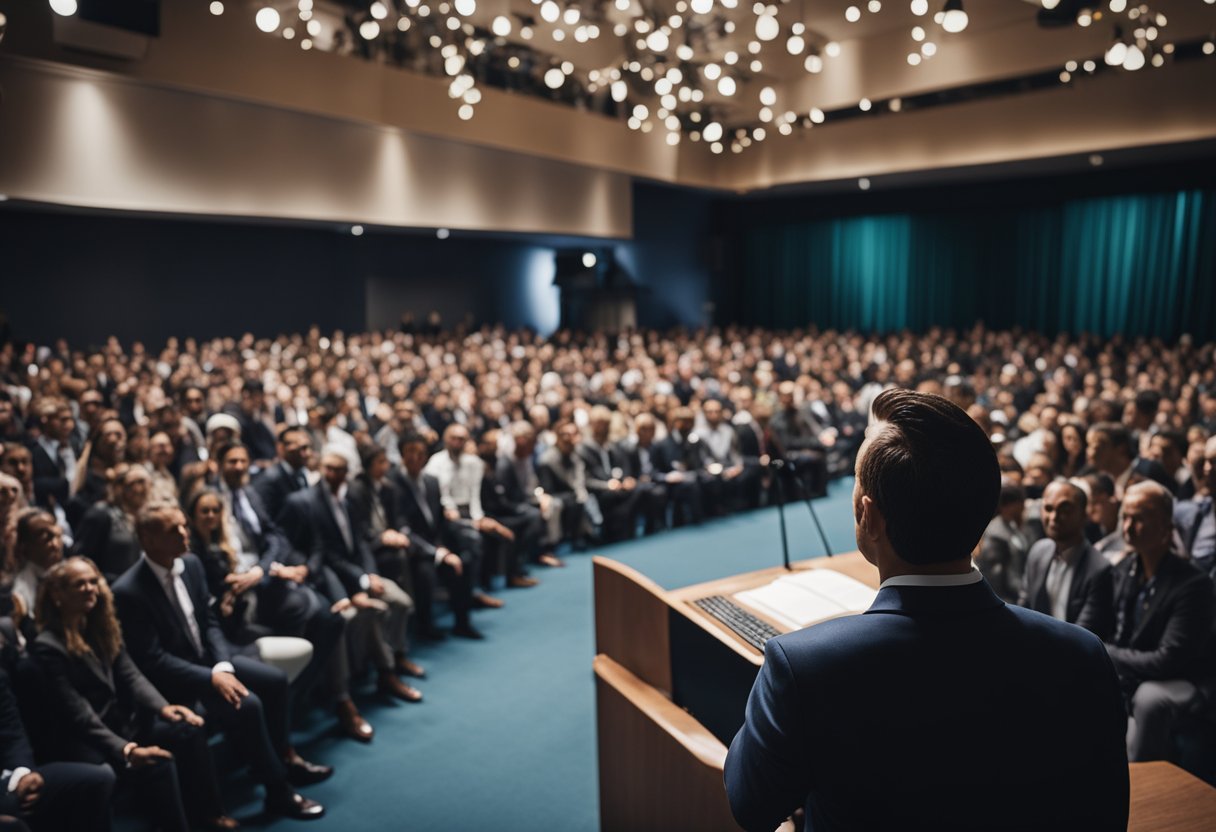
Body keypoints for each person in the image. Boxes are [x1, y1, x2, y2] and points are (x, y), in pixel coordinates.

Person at [724, 389, 1129, 832]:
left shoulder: (803, 666)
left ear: (869, 516)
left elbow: (750, 806)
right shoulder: (1082, 655)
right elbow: (1106, 816)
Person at [111, 503, 329, 820]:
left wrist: (223, 666)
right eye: (174, 530)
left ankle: (283, 757)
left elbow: (209, 622)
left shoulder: (191, 563)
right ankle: (277, 790)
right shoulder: (129, 590)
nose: (185, 534)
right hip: (176, 681)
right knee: (249, 703)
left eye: (184, 526)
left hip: (213, 661)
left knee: (275, 681)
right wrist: (211, 677)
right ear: (148, 539)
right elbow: (152, 660)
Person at [32, 558, 237, 831]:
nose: (89, 588)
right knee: (155, 764)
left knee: (187, 727)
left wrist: (163, 708)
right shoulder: (47, 647)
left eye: (93, 581)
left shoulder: (100, 626)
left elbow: (131, 674)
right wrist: (126, 749)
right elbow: (78, 714)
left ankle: (210, 814)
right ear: (57, 594)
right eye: (79, 584)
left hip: (125, 724)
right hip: (90, 743)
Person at [1105, 481, 1216, 762]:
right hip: (1134, 670)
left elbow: (1169, 660)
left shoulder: (1193, 584)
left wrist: (1106, 653)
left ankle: (1144, 787)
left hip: (1185, 678)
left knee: (1149, 699)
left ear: (1166, 524)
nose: (1128, 527)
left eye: (1139, 518)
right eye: (1125, 517)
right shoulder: (1123, 570)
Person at [0, 665, 115, 832]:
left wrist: (23, 774)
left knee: (100, 778)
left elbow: (12, 733)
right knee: (14, 826)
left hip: (8, 777)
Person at [391, 434, 482, 640]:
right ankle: (425, 627)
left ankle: (462, 623)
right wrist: (437, 552)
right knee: (425, 573)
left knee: (465, 557)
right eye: (411, 452)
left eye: (421, 453)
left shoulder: (431, 481)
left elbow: (440, 520)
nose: (416, 457)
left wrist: (446, 544)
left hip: (435, 543)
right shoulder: (393, 483)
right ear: (402, 455)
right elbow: (402, 527)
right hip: (413, 549)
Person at [1017, 480, 1114, 637]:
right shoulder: (1038, 552)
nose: (1054, 517)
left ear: (1084, 514)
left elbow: (1085, 635)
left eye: (1065, 509)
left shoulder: (1100, 569)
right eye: (1048, 508)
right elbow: (1023, 610)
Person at [70, 464, 150, 581]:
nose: (142, 489)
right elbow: (82, 557)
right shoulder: (101, 513)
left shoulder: (141, 517)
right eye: (135, 483)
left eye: (145, 483)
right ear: (119, 487)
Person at [975, 484, 1029, 603]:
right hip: (1005, 598)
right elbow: (995, 574)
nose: (1024, 506)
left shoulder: (1010, 525)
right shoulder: (996, 532)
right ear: (1012, 504)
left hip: (1017, 592)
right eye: (1021, 502)